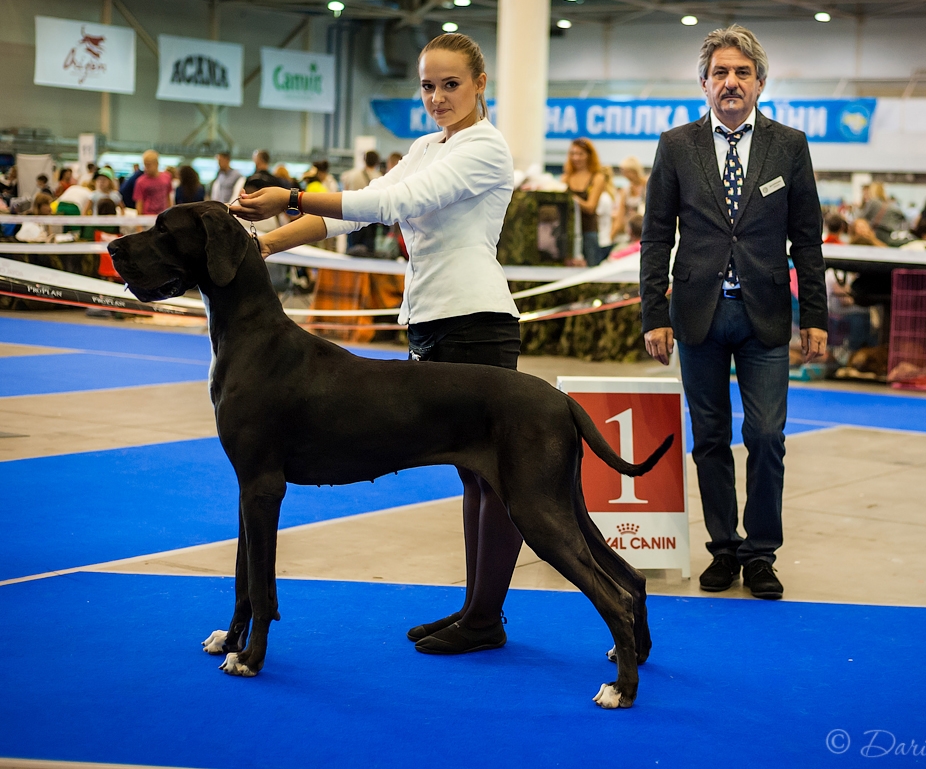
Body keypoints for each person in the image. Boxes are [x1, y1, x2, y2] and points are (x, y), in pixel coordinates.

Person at [230, 32, 523, 655]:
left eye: (450, 84)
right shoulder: (426, 146)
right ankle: (477, 611)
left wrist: (290, 195)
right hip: (431, 323)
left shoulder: (487, 149)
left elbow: (395, 202)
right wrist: (268, 242)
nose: (438, 97)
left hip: (477, 320)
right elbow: (353, 213)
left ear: (479, 85)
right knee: (470, 476)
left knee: (495, 477)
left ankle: (484, 618)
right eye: (427, 86)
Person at [640, 24, 827, 600]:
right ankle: (724, 549)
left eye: (742, 73)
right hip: (696, 315)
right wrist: (653, 314)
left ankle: (761, 552)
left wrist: (815, 315)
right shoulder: (676, 146)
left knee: (767, 435)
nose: (731, 82)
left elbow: (808, 240)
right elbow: (654, 237)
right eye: (720, 73)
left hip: (765, 316)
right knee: (711, 439)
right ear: (703, 83)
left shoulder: (789, 146)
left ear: (760, 83)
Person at [561, 138, 608, 265]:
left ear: (589, 156)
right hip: (568, 232)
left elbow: (591, 207)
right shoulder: (566, 178)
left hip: (588, 232)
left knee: (591, 268)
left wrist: (572, 199)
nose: (576, 158)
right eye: (573, 154)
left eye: (580, 154)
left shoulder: (597, 178)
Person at [614, 156, 647, 243]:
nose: (625, 175)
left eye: (627, 172)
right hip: (632, 231)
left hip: (645, 228)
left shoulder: (647, 186)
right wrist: (612, 235)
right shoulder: (625, 191)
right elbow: (620, 216)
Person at [133, 150, 172, 217]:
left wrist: (170, 215)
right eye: (145, 165)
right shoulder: (140, 181)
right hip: (147, 217)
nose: (146, 168)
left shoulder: (167, 177)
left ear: (156, 164)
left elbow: (168, 197)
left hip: (163, 216)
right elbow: (139, 204)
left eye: (148, 165)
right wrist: (139, 225)